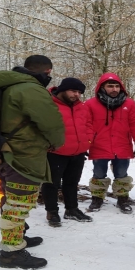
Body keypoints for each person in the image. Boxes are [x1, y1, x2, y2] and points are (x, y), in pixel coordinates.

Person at [0, 55, 65, 270]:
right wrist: (57, 142)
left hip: (6, 153)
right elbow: (52, 122)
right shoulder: (30, 89)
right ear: (46, 72)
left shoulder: (8, 86)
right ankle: (11, 253)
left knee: (12, 199)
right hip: (23, 155)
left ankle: (18, 236)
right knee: (18, 204)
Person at [85, 72, 135, 214]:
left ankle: (122, 198)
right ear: (102, 87)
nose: (114, 89)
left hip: (122, 145)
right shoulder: (90, 104)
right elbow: (86, 125)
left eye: (117, 86)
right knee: (98, 173)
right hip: (99, 145)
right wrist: (86, 144)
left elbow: (134, 123)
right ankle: (97, 197)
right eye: (110, 86)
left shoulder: (129, 103)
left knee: (122, 173)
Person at [42, 77, 93, 226]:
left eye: (79, 92)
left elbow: (88, 124)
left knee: (72, 183)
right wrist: (47, 144)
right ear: (63, 90)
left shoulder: (82, 107)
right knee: (51, 184)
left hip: (78, 153)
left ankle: (72, 209)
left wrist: (88, 140)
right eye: (73, 91)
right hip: (55, 153)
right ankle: (52, 212)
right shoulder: (48, 105)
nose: (76, 94)